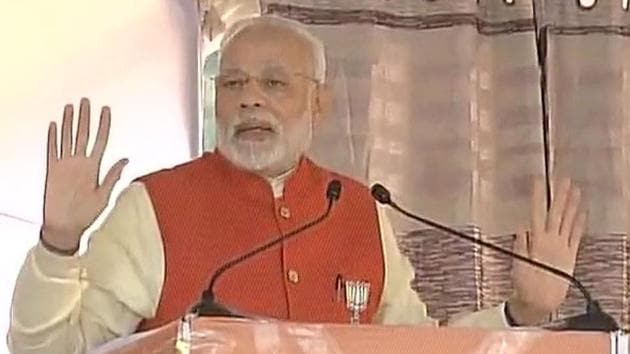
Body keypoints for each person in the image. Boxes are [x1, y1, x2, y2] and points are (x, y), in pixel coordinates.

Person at [7, 15, 585, 354]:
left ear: (320, 103)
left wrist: (520, 314)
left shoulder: (360, 209)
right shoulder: (153, 207)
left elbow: (415, 347)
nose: (249, 97)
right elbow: (52, 352)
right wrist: (58, 246)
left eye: (274, 83)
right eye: (232, 83)